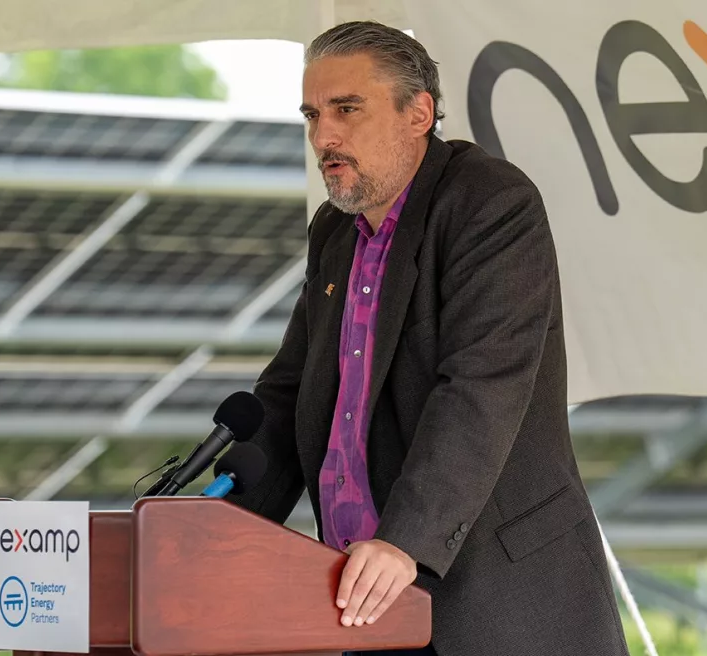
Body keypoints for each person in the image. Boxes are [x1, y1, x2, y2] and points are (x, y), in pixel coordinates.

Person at [227, 20, 631, 656]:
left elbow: (479, 389)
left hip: (498, 605)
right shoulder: (334, 233)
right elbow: (286, 395)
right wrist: (213, 531)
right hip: (362, 601)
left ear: (418, 113)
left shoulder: (491, 204)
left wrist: (404, 541)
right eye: (311, 115)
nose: (322, 135)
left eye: (346, 109)